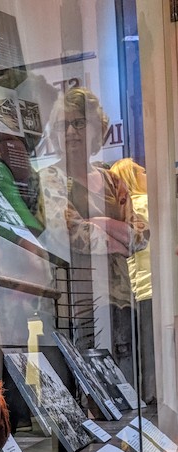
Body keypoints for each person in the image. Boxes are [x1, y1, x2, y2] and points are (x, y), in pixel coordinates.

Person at [37, 88, 149, 383]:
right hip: (76, 303)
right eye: (64, 124)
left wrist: (98, 222)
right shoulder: (51, 178)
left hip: (122, 301)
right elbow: (68, 231)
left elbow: (141, 234)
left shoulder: (112, 179)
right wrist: (117, 236)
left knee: (126, 389)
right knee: (88, 390)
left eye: (79, 123)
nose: (71, 131)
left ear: (97, 130)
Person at [110, 157, 155, 402]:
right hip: (151, 286)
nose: (146, 175)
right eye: (141, 172)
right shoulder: (146, 203)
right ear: (132, 177)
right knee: (153, 350)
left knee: (139, 350)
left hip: (135, 289)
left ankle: (144, 398)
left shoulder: (126, 209)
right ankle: (153, 399)